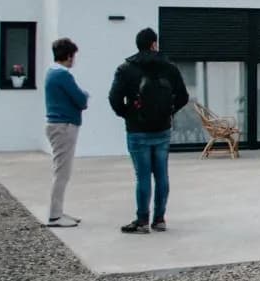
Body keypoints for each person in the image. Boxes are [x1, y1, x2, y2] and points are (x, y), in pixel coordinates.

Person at [108, 27, 189, 234]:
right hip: (162, 129)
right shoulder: (169, 67)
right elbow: (183, 96)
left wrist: (127, 114)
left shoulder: (126, 68)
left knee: (142, 175)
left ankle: (142, 221)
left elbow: (114, 99)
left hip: (137, 130)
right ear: (154, 44)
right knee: (162, 175)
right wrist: (170, 111)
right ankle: (160, 218)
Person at [43, 36, 88, 227]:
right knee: (62, 172)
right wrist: (84, 95)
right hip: (64, 126)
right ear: (69, 56)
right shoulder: (63, 75)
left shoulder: (52, 73)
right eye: (73, 56)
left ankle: (58, 211)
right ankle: (55, 215)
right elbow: (80, 99)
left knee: (61, 170)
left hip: (58, 125)